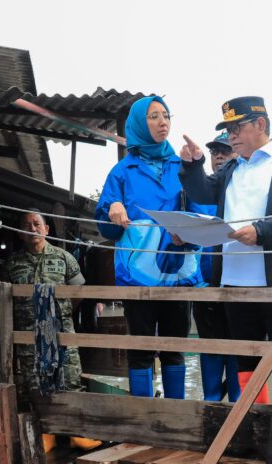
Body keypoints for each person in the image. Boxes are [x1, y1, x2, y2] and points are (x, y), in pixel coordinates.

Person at [179, 96, 272, 416]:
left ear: (260, 125)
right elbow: (201, 193)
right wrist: (192, 165)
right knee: (246, 354)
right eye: (228, 130)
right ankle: (254, 422)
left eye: (236, 128)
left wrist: (261, 231)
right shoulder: (231, 169)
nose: (231, 137)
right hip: (233, 281)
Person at [95, 95, 201, 399]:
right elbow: (105, 227)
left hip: (177, 274)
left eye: (166, 115)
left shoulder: (182, 166)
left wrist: (188, 233)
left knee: (174, 350)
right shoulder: (122, 172)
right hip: (137, 277)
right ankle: (142, 415)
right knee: (140, 350)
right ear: (140, 124)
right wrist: (113, 207)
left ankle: (176, 413)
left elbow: (202, 211)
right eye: (154, 116)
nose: (162, 121)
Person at [0, 209, 99, 451]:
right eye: (26, 225)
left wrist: (57, 314)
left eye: (36, 224)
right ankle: (47, 434)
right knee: (33, 384)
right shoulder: (12, 263)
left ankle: (77, 433)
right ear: (21, 233)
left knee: (71, 379)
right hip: (28, 334)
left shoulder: (65, 258)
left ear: (46, 229)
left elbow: (77, 295)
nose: (32, 228)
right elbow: (5, 300)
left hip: (61, 331)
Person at [190, 132, 241, 402]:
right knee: (210, 345)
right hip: (204, 284)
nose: (219, 156)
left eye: (225, 151)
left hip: (237, 282)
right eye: (214, 152)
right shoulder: (197, 191)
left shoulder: (241, 189)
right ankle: (210, 402)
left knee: (236, 345)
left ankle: (236, 403)